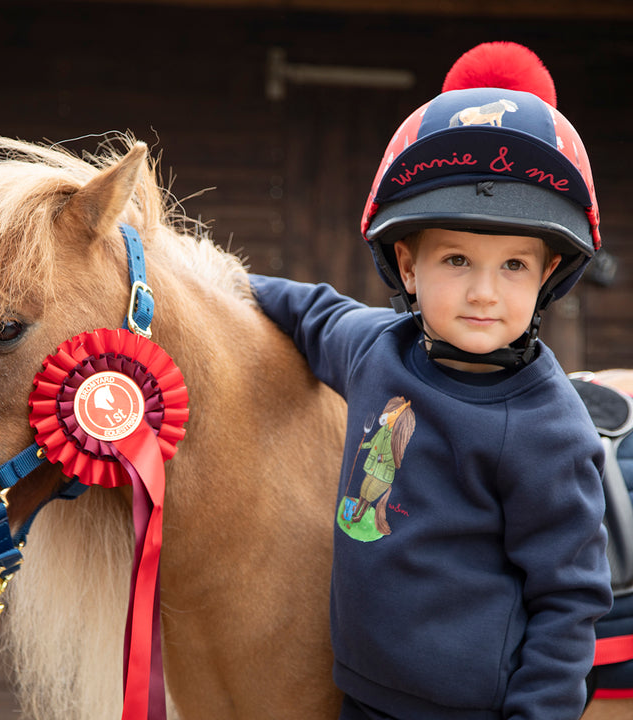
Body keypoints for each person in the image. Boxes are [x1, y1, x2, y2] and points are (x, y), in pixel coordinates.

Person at [249, 42, 612, 720]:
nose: (484, 292)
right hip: (357, 693)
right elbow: (309, 310)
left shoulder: (548, 428)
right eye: (455, 259)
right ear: (408, 267)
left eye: (513, 266)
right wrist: (198, 276)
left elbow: (567, 602)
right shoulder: (374, 350)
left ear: (546, 277)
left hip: (467, 709)